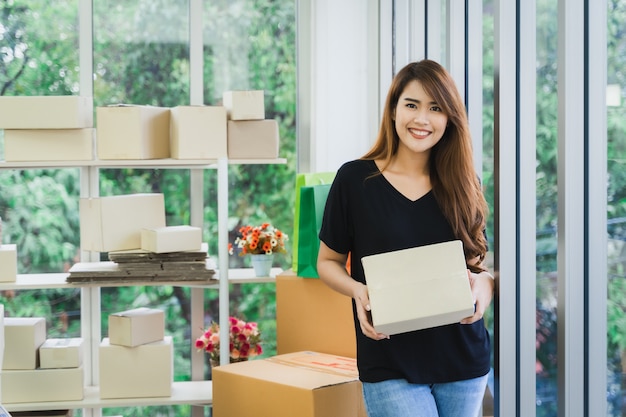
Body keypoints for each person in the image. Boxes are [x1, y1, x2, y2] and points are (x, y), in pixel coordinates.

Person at [317, 59, 495, 417]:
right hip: (388, 358)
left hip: (462, 359)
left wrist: (486, 285)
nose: (422, 119)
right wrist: (358, 290)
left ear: (449, 118)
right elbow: (327, 262)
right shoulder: (354, 180)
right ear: (394, 109)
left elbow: (477, 267)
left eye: (436, 108)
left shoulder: (464, 183)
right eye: (412, 105)